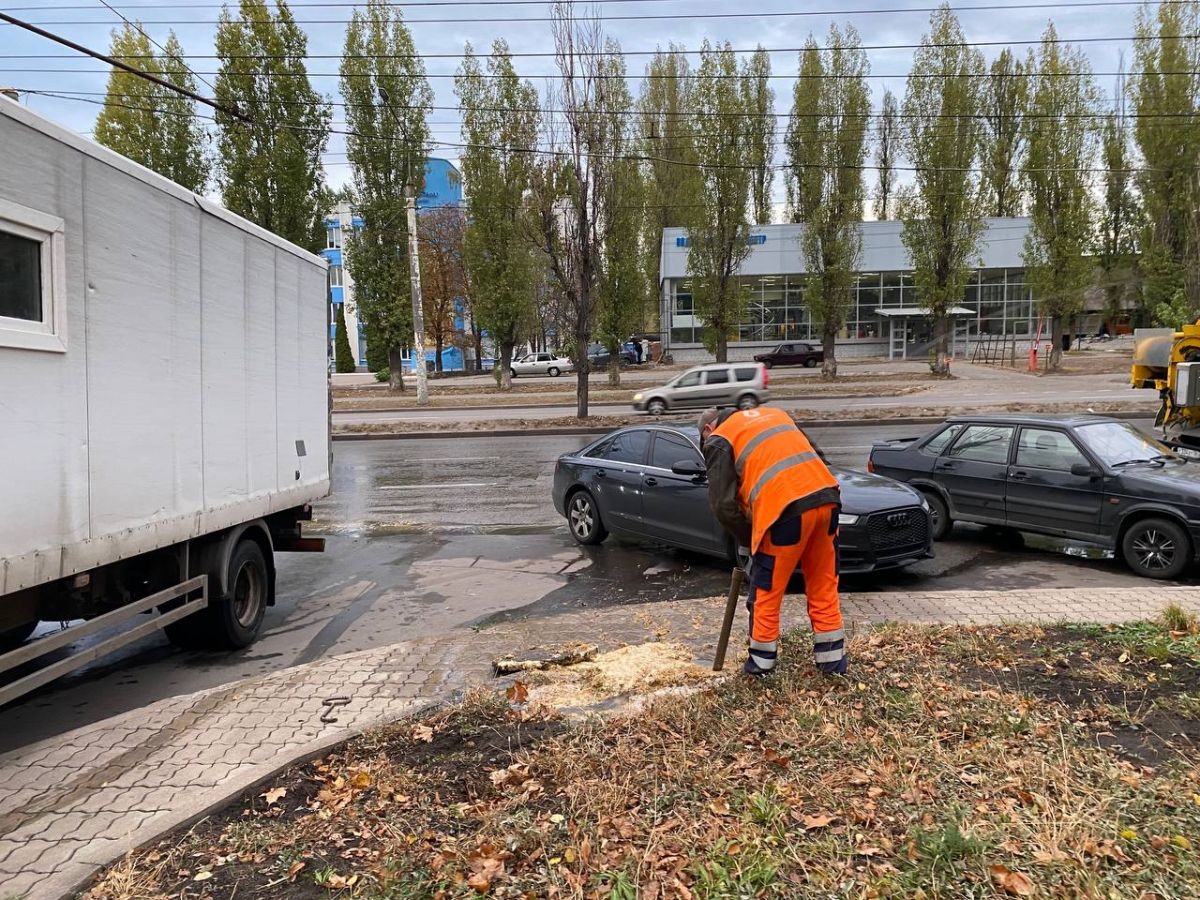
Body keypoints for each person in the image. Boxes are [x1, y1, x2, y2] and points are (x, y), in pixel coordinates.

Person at [698, 406, 847, 678]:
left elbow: (722, 505)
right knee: (823, 585)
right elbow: (817, 458)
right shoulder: (776, 415)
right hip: (827, 500)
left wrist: (747, 539)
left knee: (766, 592)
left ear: (708, 430)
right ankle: (833, 666)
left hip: (784, 514)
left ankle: (760, 668)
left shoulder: (720, 438)